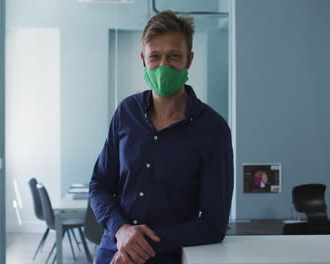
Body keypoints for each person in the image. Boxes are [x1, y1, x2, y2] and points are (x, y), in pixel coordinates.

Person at [89, 10, 234, 264]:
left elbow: (213, 224)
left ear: (189, 60)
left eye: (174, 56)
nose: (163, 65)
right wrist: (122, 231)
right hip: (112, 253)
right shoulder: (126, 112)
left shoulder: (214, 129)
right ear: (143, 59)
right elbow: (99, 185)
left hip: (167, 258)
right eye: (155, 56)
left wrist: (140, 245)